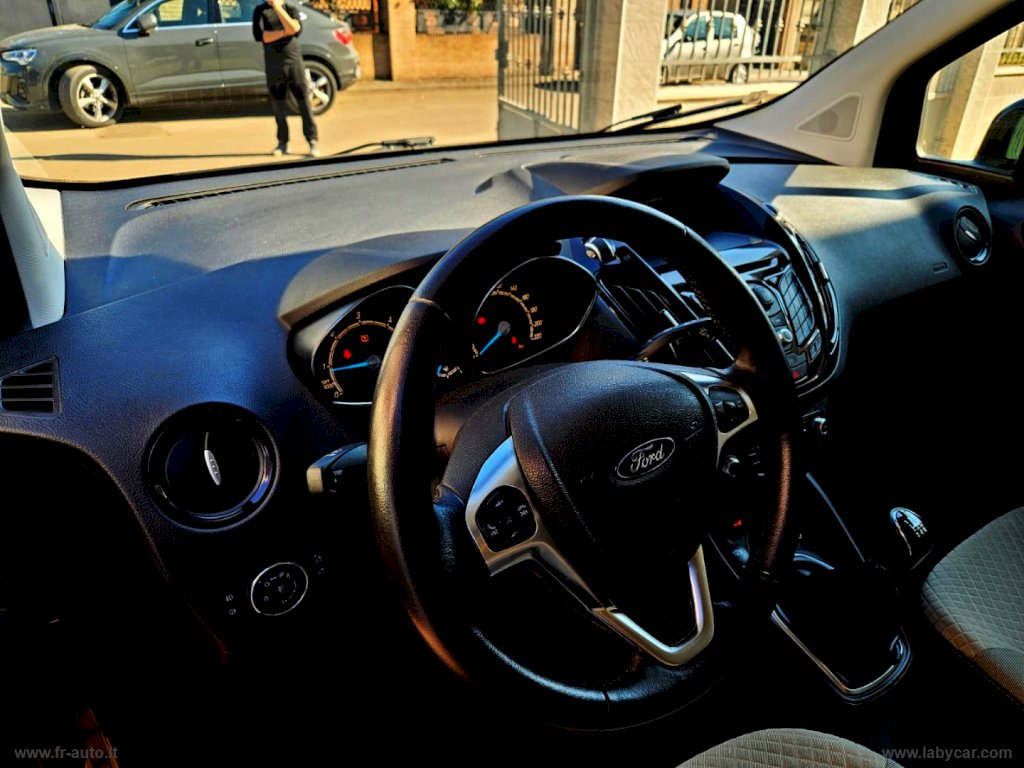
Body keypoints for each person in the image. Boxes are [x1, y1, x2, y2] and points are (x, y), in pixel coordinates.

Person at [251, 0, 320, 157]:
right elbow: (263, 36)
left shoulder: (290, 8)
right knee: (279, 106)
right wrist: (285, 32)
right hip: (273, 65)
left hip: (294, 62)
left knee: (304, 103)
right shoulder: (260, 11)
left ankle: (312, 140)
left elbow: (296, 28)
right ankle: (283, 142)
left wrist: (278, 8)